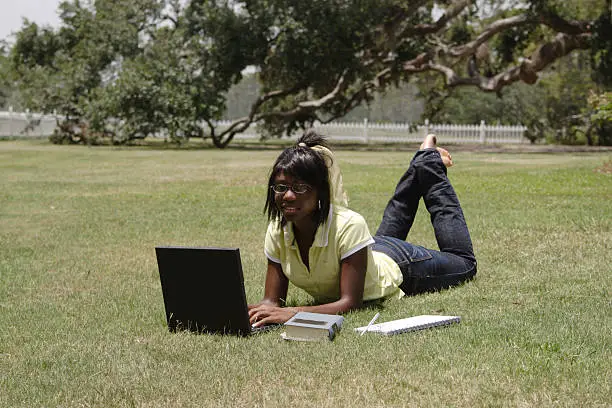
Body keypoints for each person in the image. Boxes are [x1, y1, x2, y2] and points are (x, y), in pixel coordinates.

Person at [248, 130, 476, 326]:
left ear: (320, 191)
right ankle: (424, 160)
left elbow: (350, 303)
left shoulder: (349, 223)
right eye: (281, 187)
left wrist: (292, 314)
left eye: (299, 187)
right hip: (367, 253)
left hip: (400, 265)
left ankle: (428, 160)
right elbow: (272, 302)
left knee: (464, 262)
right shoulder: (278, 230)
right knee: (399, 208)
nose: (287, 196)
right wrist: (248, 312)